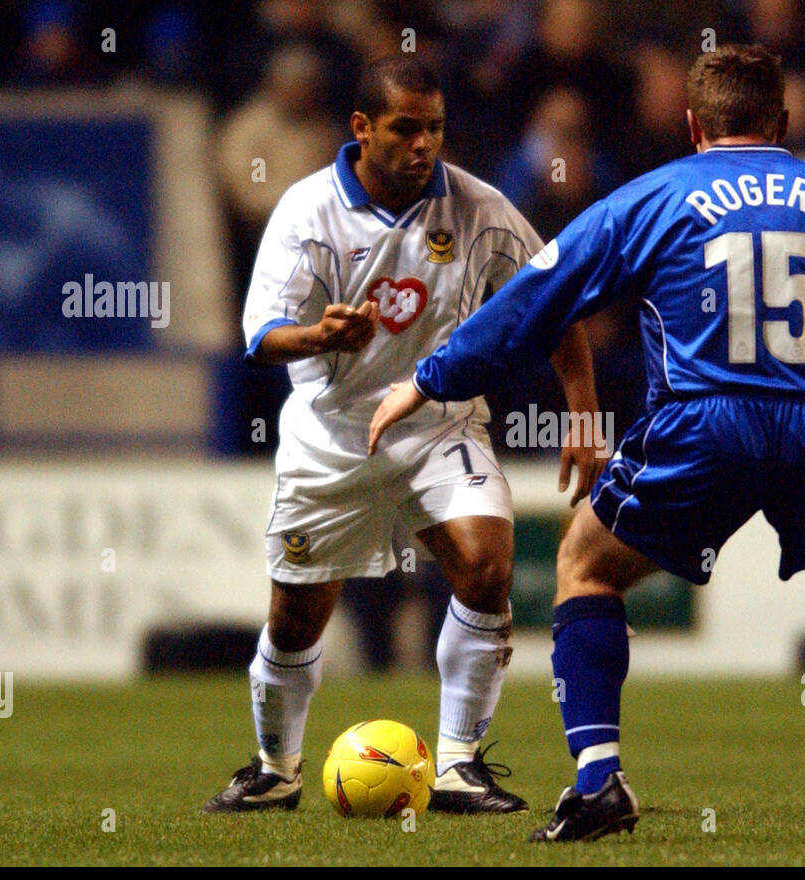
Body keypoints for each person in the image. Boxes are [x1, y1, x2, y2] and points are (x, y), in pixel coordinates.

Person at [370, 45, 805, 841]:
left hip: (702, 425)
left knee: (586, 567)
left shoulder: (654, 197)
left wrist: (428, 379)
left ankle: (599, 780)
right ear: (786, 122)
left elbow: (535, 298)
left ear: (693, 125)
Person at [203, 56, 601, 815]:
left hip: (438, 425)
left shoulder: (480, 208)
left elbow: (558, 306)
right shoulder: (306, 210)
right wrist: (317, 334)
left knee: (487, 565)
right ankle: (275, 768)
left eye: (437, 129)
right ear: (362, 128)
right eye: (406, 129)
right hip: (333, 434)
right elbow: (260, 335)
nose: (425, 145)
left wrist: (582, 417)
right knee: (293, 619)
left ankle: (457, 764)